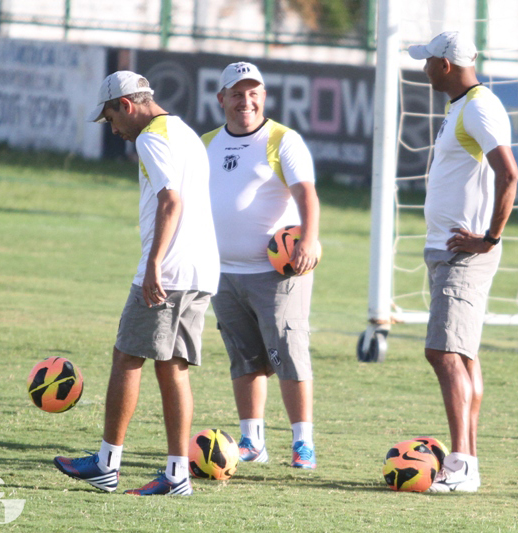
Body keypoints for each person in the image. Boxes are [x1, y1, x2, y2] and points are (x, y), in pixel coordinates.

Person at [53, 71, 219, 496]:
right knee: (172, 369)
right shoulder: (184, 131)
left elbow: (170, 200)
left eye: (111, 119)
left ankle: (107, 463)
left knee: (126, 355)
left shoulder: (150, 138)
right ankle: (177, 474)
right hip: (201, 270)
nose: (114, 130)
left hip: (169, 270)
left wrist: (154, 265)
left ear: (127, 105)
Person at [408, 32, 518, 492]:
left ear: (446, 65)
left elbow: (508, 173)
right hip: (446, 251)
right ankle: (467, 459)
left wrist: (488, 239)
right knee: (463, 355)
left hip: (462, 256)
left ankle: (461, 465)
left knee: (443, 352)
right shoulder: (462, 105)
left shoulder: (478, 106)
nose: (423, 68)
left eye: (428, 60)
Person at [202, 62, 321, 469]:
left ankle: (303, 442)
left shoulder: (283, 140)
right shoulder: (206, 144)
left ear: (264, 97)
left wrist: (309, 238)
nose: (245, 101)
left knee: (288, 352)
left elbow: (307, 194)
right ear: (221, 99)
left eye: (254, 93)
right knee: (245, 358)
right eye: (237, 93)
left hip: (278, 272)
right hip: (223, 272)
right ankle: (252, 440)